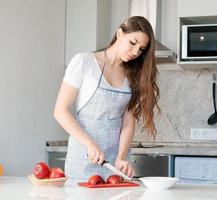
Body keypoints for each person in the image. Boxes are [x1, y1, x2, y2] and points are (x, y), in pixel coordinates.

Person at [54, 16, 160, 180]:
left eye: (141, 49)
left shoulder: (133, 75)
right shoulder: (84, 62)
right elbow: (60, 111)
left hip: (115, 163)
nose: (135, 52)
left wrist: (122, 157)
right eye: (133, 43)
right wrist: (90, 144)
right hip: (84, 155)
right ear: (119, 33)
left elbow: (127, 121)